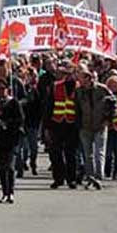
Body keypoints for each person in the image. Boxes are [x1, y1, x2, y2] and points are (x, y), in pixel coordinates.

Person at [75, 67, 117, 190]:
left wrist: (108, 120)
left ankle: (99, 176)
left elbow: (113, 104)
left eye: (81, 77)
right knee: (88, 154)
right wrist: (78, 124)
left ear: (88, 78)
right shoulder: (79, 91)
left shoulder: (102, 89)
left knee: (99, 152)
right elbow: (77, 108)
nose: (79, 80)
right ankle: (90, 176)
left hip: (100, 125)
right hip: (85, 125)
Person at [45, 60, 79, 190]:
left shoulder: (79, 87)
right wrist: (47, 127)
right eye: (64, 72)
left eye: (69, 72)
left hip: (72, 124)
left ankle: (72, 179)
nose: (66, 75)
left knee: (71, 153)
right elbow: (48, 107)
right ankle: (58, 178)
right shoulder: (55, 86)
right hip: (57, 123)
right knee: (55, 153)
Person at [0, 79, 25, 203]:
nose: (0, 91)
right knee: (1, 167)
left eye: (2, 88)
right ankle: (4, 192)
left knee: (10, 166)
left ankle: (11, 192)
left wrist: (8, 123)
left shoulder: (13, 102)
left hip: (12, 139)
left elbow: (20, 119)